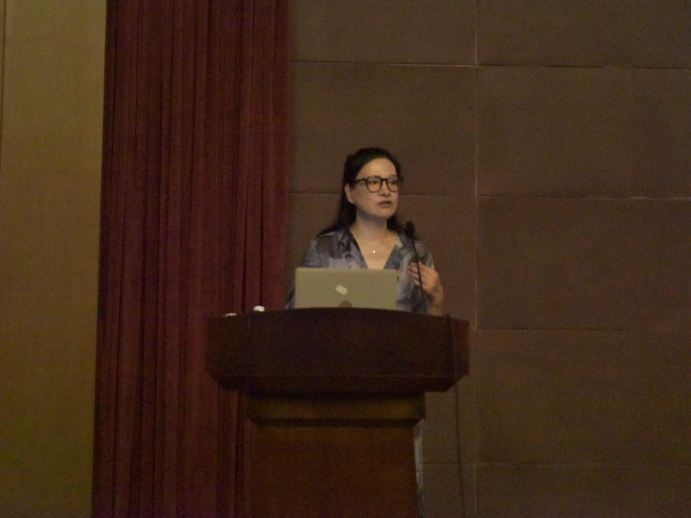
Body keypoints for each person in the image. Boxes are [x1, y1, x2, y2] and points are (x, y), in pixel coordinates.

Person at [289, 147, 444, 315]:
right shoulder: (325, 250)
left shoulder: (414, 254)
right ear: (350, 193)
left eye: (392, 182)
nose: (386, 191)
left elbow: (428, 327)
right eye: (374, 182)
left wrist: (436, 301)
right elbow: (295, 318)